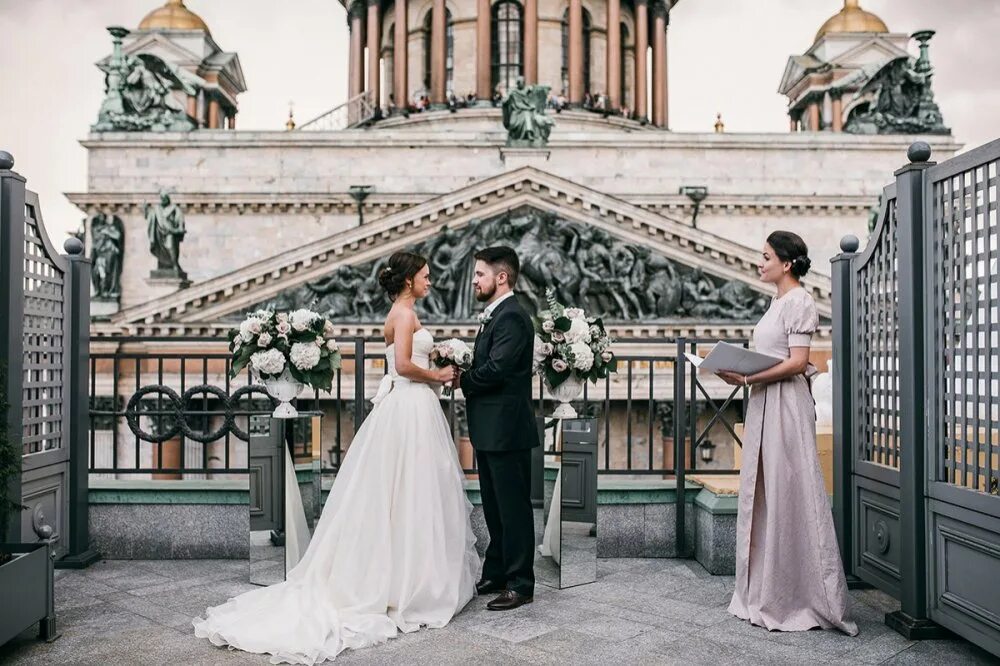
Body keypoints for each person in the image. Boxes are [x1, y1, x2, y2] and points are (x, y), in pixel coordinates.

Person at [193, 252, 480, 663]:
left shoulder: (403, 313)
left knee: (407, 494)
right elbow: (401, 365)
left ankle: (405, 577)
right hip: (411, 407)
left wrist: (437, 357)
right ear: (407, 281)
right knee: (414, 492)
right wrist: (437, 374)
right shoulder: (402, 314)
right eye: (425, 275)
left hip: (411, 407)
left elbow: (407, 358)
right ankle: (410, 582)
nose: (431, 281)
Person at [718, 231, 858, 636]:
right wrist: (743, 374)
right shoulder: (776, 301)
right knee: (765, 492)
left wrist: (748, 376)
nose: (759, 263)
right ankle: (768, 590)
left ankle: (801, 595)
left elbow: (798, 363)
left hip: (785, 407)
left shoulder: (799, 301)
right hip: (765, 402)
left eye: (765, 256)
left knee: (788, 492)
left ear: (786, 262)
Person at [457, 247, 540, 611]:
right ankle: (498, 571)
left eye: (479, 274)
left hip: (507, 431)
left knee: (513, 509)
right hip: (493, 430)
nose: (474, 281)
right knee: (494, 508)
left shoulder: (513, 318)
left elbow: (497, 369)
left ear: (501, 277)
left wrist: (464, 378)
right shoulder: (498, 316)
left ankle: (521, 583)